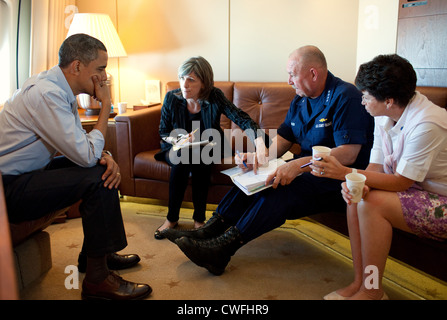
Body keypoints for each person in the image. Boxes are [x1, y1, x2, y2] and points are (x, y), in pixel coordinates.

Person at [162, 45, 375, 276]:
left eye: (292, 74)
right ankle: (209, 231)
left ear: (313, 73)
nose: (289, 81)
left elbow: (349, 153)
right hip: (307, 168)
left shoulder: (346, 96)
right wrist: (258, 157)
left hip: (333, 178)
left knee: (277, 188)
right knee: (253, 175)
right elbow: (283, 139)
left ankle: (222, 250)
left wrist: (295, 165)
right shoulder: (301, 99)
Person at [0, 34, 151, 300]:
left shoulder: (58, 89)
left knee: (100, 165)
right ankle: (97, 279)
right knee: (96, 175)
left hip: (26, 175)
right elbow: (84, 155)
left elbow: (80, 145)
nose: (104, 78)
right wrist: (106, 106)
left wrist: (104, 154)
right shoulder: (47, 94)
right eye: (101, 69)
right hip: (7, 188)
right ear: (77, 66)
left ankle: (96, 255)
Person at [309, 54, 447, 300]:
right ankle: (360, 282)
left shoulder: (428, 123)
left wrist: (344, 173)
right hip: (417, 189)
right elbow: (376, 165)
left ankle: (372, 291)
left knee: (372, 204)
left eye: (366, 96)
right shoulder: (384, 114)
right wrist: (357, 183)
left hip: (440, 198)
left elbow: (402, 181)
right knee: (356, 196)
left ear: (389, 100)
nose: (362, 101)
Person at [154, 56, 268, 239]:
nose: (185, 84)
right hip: (177, 147)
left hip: (209, 146)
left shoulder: (214, 96)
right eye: (182, 78)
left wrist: (259, 140)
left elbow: (240, 117)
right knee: (184, 156)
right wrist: (181, 139)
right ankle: (172, 218)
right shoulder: (171, 98)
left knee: (201, 156)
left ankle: (199, 219)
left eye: (191, 80)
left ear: (204, 83)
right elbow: (163, 131)